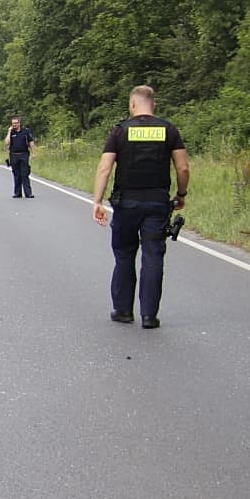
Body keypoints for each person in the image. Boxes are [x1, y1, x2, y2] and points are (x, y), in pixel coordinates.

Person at [91, 85, 190, 329]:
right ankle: (149, 316)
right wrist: (180, 194)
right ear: (153, 104)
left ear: (132, 105)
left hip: (126, 203)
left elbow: (104, 168)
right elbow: (183, 168)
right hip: (157, 203)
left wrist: (98, 201)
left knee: (124, 254)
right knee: (153, 256)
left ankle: (124, 311)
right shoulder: (169, 130)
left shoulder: (120, 131)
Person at [4, 116, 35, 197]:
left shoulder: (26, 131)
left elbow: (31, 142)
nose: (14, 125)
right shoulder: (11, 132)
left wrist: (34, 153)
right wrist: (9, 132)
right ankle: (17, 193)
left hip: (24, 154)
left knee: (24, 174)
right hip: (14, 155)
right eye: (13, 123)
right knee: (16, 174)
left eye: (16, 123)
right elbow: (6, 143)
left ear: (19, 123)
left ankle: (28, 193)